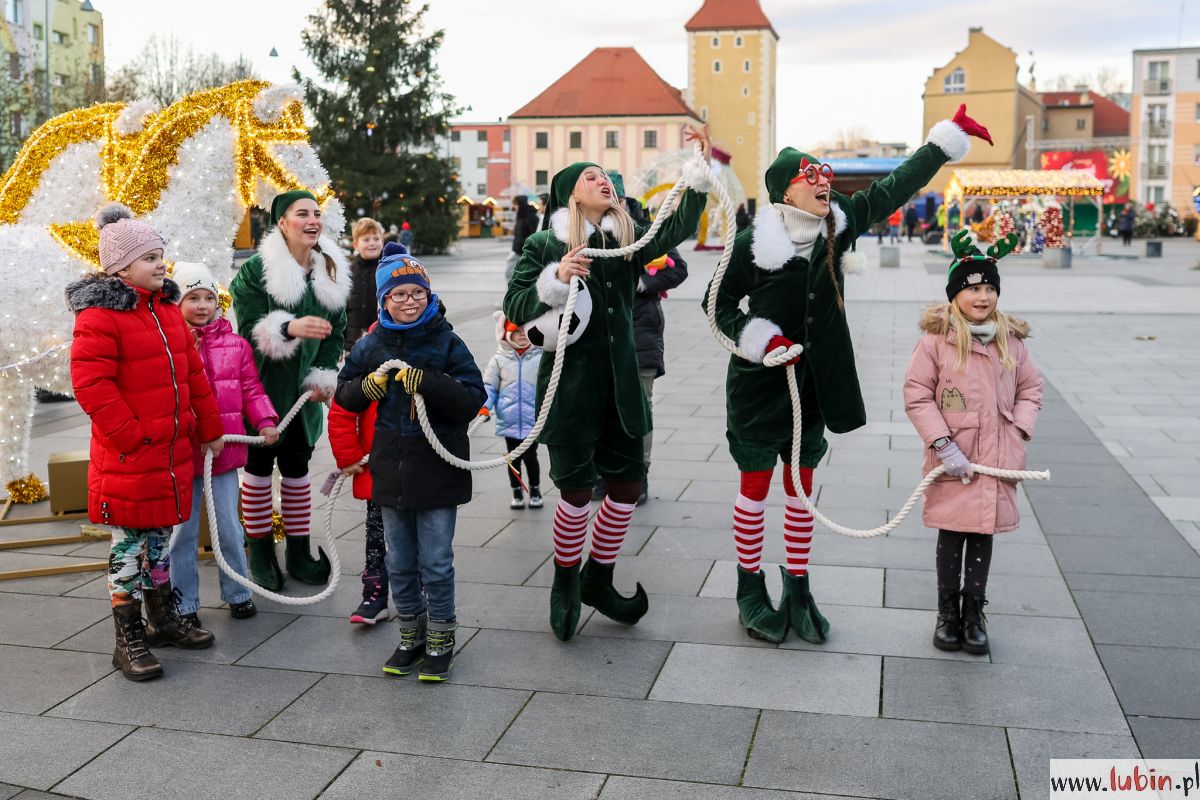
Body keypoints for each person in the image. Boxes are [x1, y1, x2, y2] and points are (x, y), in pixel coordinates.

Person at [704, 104, 995, 645]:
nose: (824, 181)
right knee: (754, 488)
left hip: (814, 386)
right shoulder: (750, 245)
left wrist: (941, 144)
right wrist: (762, 341)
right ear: (785, 191)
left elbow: (892, 189)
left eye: (825, 173)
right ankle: (749, 588)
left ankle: (798, 587)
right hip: (758, 387)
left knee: (801, 490)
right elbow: (716, 305)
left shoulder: (838, 225)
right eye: (810, 175)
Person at [503, 124, 712, 641]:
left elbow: (674, 229)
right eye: (591, 176)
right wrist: (556, 278)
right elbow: (516, 304)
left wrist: (697, 172)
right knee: (576, 493)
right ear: (571, 194)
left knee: (626, 487)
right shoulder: (545, 242)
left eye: (606, 176)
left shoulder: (626, 240)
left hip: (622, 389)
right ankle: (566, 580)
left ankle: (599, 574)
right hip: (572, 391)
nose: (604, 181)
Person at [66, 204, 224, 681]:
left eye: (160, 255)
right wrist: (132, 437)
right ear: (121, 267)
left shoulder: (167, 312)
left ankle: (162, 619)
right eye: (150, 257)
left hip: (169, 452)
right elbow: (91, 384)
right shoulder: (100, 316)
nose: (161, 264)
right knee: (128, 547)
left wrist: (208, 427)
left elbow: (193, 376)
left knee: (159, 540)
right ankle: (128, 638)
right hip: (131, 454)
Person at [336, 243, 485, 681]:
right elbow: (344, 392)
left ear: (428, 293)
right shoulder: (371, 344)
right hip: (392, 469)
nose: (410, 301)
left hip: (437, 468)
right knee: (399, 562)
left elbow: (472, 398)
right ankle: (411, 635)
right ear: (384, 299)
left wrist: (431, 383)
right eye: (399, 294)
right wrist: (367, 388)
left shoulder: (447, 341)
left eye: (417, 292)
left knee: (435, 562)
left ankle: (441, 637)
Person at [903, 231, 1044, 655]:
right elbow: (917, 394)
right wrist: (942, 444)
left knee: (983, 532)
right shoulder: (936, 341)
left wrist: (1018, 428)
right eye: (973, 288)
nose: (983, 297)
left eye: (989, 289)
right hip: (953, 455)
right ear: (955, 294)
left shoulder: (1010, 341)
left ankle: (973, 612)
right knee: (952, 530)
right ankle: (947, 612)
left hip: (995, 456)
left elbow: (1031, 388)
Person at [228, 190, 350, 591]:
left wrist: (323, 374)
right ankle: (259, 550)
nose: (313, 220)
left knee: (298, 469)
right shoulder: (257, 270)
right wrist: (287, 327)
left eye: (317, 213)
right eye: (303, 214)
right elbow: (248, 328)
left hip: (304, 397)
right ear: (282, 222)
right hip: (261, 389)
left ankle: (299, 551)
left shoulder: (329, 270)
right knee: (259, 469)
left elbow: (336, 334)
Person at [168, 262, 279, 626]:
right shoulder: (169, 345)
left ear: (218, 301)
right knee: (182, 533)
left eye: (208, 297)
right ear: (178, 302)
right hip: (183, 455)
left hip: (224, 454)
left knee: (230, 527)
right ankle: (183, 603)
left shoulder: (236, 346)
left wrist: (265, 420)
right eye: (193, 298)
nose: (202, 305)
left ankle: (238, 592)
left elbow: (250, 389)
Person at [605, 169, 690, 506]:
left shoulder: (647, 228)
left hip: (640, 331)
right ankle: (606, 473)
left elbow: (678, 268)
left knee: (639, 406)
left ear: (624, 199)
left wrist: (642, 283)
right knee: (605, 408)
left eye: (615, 197)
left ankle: (638, 474)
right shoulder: (590, 230)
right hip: (603, 338)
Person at [328, 337, 389, 625]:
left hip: (419, 473)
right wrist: (348, 455)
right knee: (376, 539)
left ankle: (421, 594)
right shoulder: (369, 349)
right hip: (379, 471)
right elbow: (342, 407)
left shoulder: (436, 343)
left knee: (420, 542)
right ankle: (374, 595)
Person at [482, 314, 544, 509]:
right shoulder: (499, 360)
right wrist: (484, 406)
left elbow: (548, 385)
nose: (522, 335)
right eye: (516, 332)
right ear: (506, 334)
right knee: (512, 459)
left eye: (525, 331)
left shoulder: (540, 358)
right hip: (509, 420)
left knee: (531, 458)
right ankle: (516, 491)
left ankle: (535, 489)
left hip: (532, 420)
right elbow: (489, 386)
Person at [345, 217, 386, 351]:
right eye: (366, 240)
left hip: (382, 340)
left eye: (376, 239)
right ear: (356, 244)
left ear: (382, 241)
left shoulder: (388, 269)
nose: (372, 243)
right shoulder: (348, 272)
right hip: (353, 340)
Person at [506, 195, 540, 281]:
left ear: (521, 204)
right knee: (512, 273)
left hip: (525, 251)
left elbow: (534, 234)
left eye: (516, 204)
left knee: (511, 272)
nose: (514, 207)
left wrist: (526, 245)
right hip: (516, 250)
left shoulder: (531, 217)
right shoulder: (519, 216)